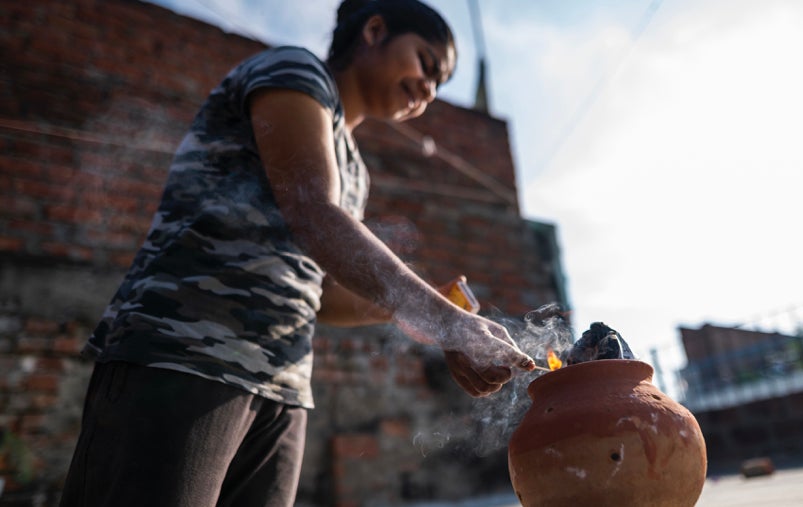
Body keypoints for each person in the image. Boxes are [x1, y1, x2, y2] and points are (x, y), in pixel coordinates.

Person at [59, 1, 535, 506]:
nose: (429, 89)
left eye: (440, 82)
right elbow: (313, 213)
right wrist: (445, 320)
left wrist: (419, 305)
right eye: (426, 62)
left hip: (282, 390)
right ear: (374, 31)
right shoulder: (294, 71)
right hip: (185, 356)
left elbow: (320, 292)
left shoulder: (354, 169)